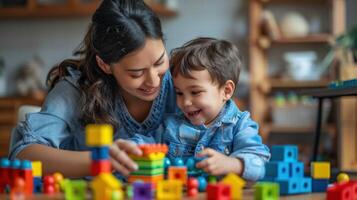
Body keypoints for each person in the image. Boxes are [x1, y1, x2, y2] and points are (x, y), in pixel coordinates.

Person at [8, 0, 177, 178]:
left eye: (159, 62)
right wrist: (100, 161)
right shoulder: (76, 89)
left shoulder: (182, 83)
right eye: (136, 73)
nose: (153, 80)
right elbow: (23, 154)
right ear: (105, 65)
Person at [141, 37, 269, 181]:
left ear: (226, 91)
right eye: (179, 93)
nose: (186, 102)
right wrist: (133, 147)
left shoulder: (240, 125)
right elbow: (146, 142)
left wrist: (233, 164)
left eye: (195, 92)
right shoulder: (171, 124)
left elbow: (259, 164)